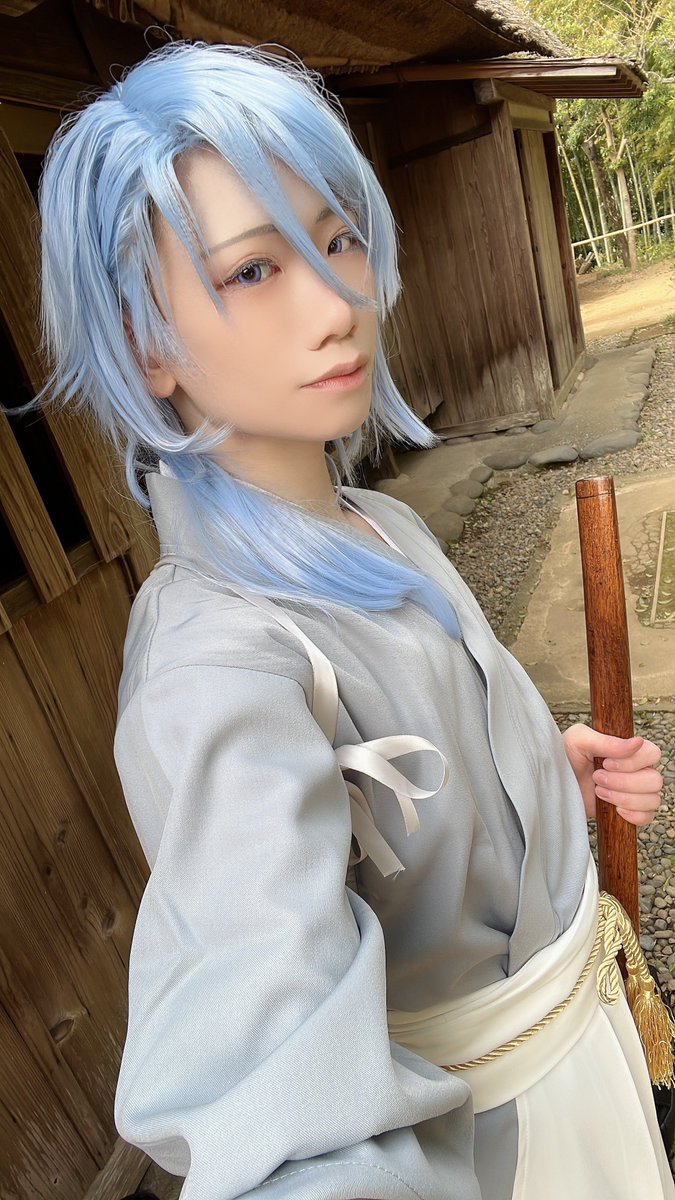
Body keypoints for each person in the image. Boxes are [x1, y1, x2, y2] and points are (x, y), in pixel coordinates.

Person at [28, 39, 674, 1200]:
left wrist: (533, 778)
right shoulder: (215, 669)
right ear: (144, 344)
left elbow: (423, 785)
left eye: (337, 240)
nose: (337, 305)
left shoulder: (380, 520)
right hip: (500, 1152)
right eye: (251, 271)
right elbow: (287, 1112)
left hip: (588, 1069)